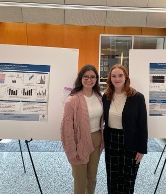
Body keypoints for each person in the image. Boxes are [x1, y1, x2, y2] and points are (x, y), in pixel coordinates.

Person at [102, 64, 148, 194]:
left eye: (120, 75)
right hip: (111, 141)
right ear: (110, 78)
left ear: (126, 77)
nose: (117, 79)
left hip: (131, 142)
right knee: (112, 178)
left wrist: (141, 149)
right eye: (114, 76)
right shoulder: (106, 96)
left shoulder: (137, 97)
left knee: (128, 178)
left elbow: (142, 125)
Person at [60, 64, 103, 194]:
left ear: (96, 79)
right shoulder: (72, 100)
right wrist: (71, 151)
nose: (89, 79)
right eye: (86, 76)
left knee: (92, 179)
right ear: (81, 78)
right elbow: (66, 129)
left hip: (96, 139)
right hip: (79, 142)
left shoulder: (99, 97)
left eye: (92, 77)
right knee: (80, 181)